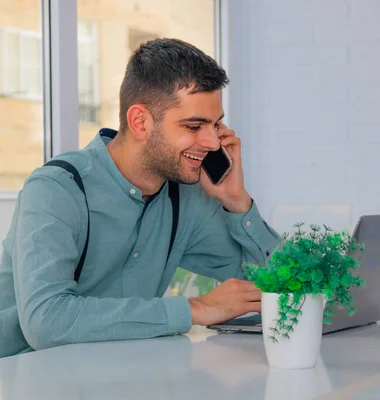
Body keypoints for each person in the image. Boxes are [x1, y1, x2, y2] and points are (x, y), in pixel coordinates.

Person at [0, 38, 280, 358]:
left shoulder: (185, 198)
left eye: (215, 124)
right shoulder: (56, 190)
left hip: (125, 374)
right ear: (140, 122)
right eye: (194, 125)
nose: (214, 142)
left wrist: (236, 200)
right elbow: (46, 321)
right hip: (22, 378)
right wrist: (195, 308)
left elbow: (278, 284)